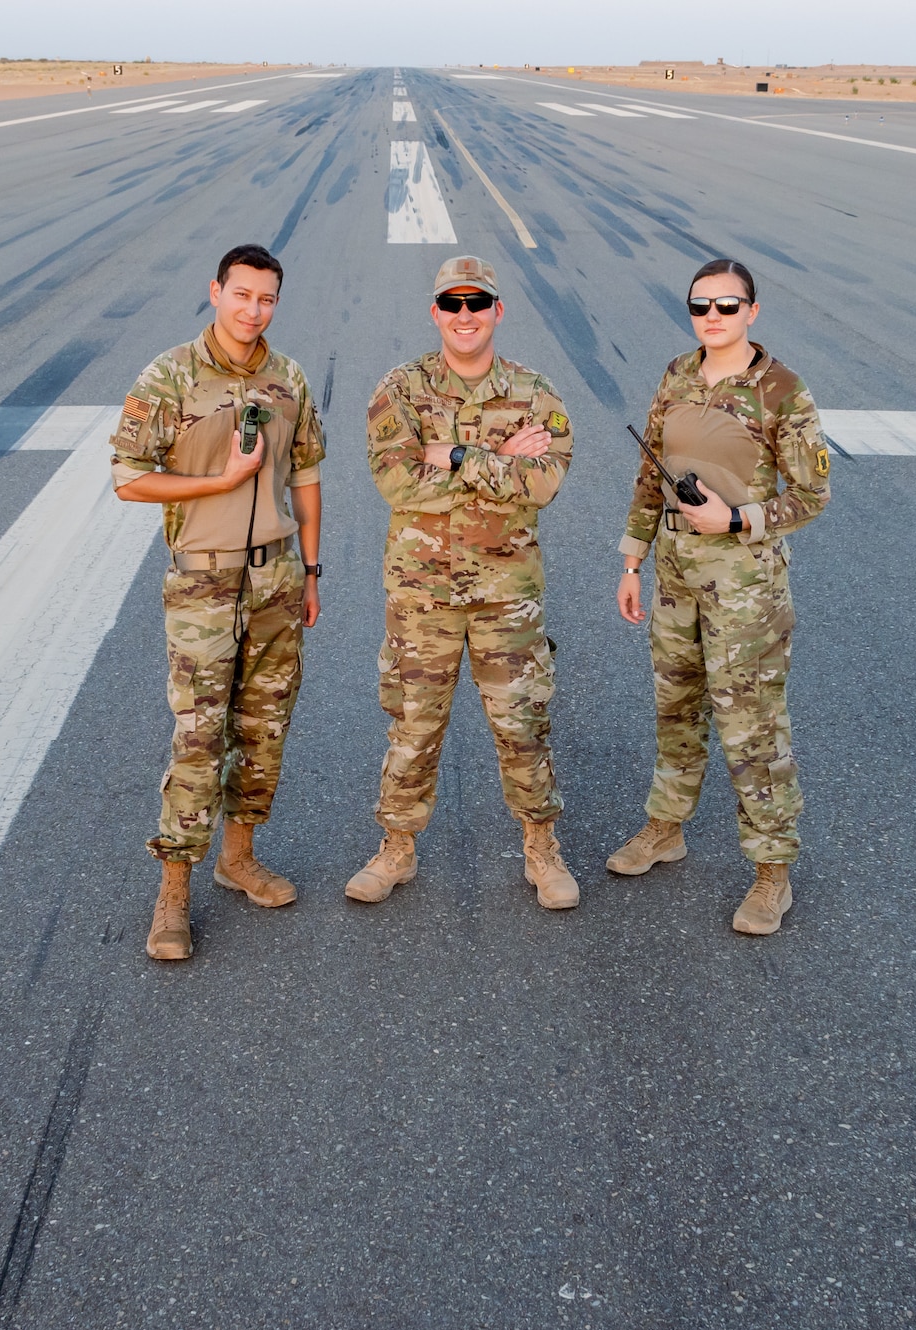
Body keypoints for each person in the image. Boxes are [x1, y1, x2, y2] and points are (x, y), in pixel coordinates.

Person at [110, 243, 325, 962]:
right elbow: (129, 479)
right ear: (216, 291)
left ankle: (239, 856)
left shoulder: (288, 376)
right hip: (202, 580)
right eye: (242, 295)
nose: (253, 309)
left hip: (276, 579)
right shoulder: (169, 376)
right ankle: (174, 888)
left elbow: (306, 475)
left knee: (264, 732)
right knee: (200, 738)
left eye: (266, 298)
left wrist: (314, 570)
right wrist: (219, 481)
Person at [347, 255, 579, 910]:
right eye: (453, 303)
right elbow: (394, 481)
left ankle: (542, 845)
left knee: (523, 724)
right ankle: (396, 846)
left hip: (507, 595)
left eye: (479, 303)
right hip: (423, 596)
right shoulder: (400, 388)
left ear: (498, 311)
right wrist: (499, 459)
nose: (466, 315)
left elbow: (544, 483)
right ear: (436, 312)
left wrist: (451, 454)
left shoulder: (536, 393)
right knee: (413, 725)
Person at [609, 258, 832, 935]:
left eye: (727, 306)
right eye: (701, 305)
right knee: (676, 705)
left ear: (752, 312)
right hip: (675, 571)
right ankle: (666, 826)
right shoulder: (677, 374)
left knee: (752, 724)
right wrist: (632, 557)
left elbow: (813, 495)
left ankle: (772, 872)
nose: (713, 317)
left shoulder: (783, 392)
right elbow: (652, 468)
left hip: (745, 583)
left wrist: (736, 519)